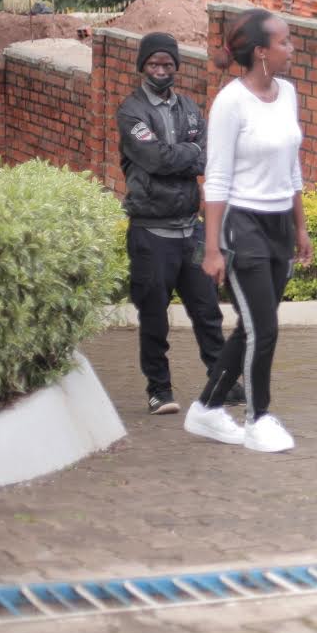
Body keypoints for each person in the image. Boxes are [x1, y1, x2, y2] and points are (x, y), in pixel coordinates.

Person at [186, 9, 310, 454]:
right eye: (285, 42)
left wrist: (301, 228)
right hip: (242, 225)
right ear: (261, 52)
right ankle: (258, 420)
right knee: (266, 329)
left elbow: (292, 168)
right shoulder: (230, 103)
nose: (291, 49)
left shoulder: (289, 93)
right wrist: (214, 247)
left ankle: (207, 409)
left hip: (278, 223)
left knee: (251, 328)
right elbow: (215, 179)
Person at [117, 32, 232, 415]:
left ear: (177, 67)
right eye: (154, 65)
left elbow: (207, 158)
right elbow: (156, 160)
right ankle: (159, 390)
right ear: (142, 67)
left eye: (168, 65)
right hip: (151, 232)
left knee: (208, 313)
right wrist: (188, 152)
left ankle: (222, 380)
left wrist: (182, 154)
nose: (161, 71)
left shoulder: (188, 108)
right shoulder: (131, 111)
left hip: (190, 230)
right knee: (154, 317)